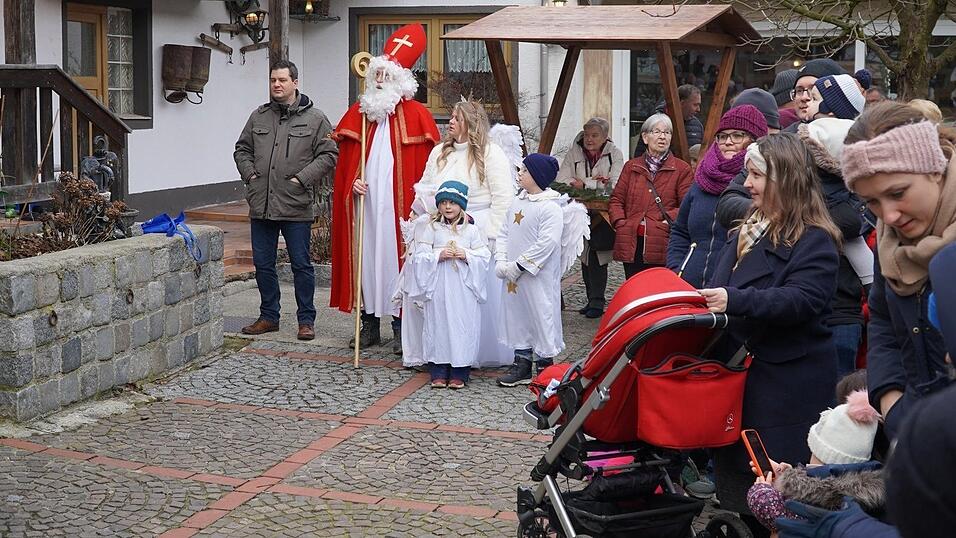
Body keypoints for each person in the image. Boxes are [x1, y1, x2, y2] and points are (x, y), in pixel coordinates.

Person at [698, 133, 841, 538]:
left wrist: (734, 300)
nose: (746, 184)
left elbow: (802, 299)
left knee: (776, 501)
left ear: (786, 179)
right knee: (743, 496)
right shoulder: (747, 230)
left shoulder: (815, 239)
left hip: (784, 391)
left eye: (756, 175)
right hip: (741, 381)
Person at [841, 102, 956, 439]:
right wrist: (892, 402)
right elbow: (883, 320)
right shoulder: (890, 239)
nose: (888, 216)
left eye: (897, 193)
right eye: (872, 202)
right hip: (920, 433)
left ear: (933, 169)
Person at [329, 24, 440, 352]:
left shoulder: (417, 115)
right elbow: (344, 167)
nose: (379, 80)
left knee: (397, 261)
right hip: (364, 207)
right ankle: (369, 324)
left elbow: (428, 167)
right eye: (376, 74)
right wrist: (352, 184)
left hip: (398, 207)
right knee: (366, 260)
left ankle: (401, 325)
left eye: (385, 75)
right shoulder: (359, 114)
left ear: (400, 81)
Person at [234, 60, 339, 341]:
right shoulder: (258, 117)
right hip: (262, 204)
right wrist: (250, 175)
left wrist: (301, 179)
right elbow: (242, 149)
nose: (276, 85)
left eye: (282, 80)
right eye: (273, 80)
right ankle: (269, 316)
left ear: (295, 82)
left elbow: (329, 154)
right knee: (263, 265)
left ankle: (306, 320)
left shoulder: (315, 118)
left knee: (301, 265)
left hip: (295, 204)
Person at [412, 99, 516, 366]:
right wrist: (419, 215)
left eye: (457, 118)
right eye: (451, 117)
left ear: (471, 123)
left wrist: (492, 236)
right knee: (440, 295)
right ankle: (439, 352)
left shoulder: (491, 153)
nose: (450, 122)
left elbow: (503, 197)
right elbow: (425, 187)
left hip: (477, 229)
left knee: (471, 298)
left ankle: (473, 352)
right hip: (440, 227)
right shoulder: (439, 152)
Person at [495, 154, 587, 386]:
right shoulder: (517, 202)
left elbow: (547, 243)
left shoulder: (550, 207)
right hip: (513, 278)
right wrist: (501, 260)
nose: (519, 174)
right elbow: (504, 232)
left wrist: (519, 265)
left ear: (537, 175)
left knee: (541, 315)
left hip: (536, 277)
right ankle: (522, 363)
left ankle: (545, 365)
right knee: (518, 315)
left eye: (525, 171)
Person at [746, 390, 884, 536]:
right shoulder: (864, 489)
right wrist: (786, 476)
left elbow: (782, 516)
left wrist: (760, 494)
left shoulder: (819, 491)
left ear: (816, 448)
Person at [797, 118, 872, 380]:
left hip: (839, 312)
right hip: (833, 310)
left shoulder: (815, 195)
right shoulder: (844, 195)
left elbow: (850, 225)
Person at [667, 105, 768, 288]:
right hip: (688, 287)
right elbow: (680, 230)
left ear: (755, 140)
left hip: (734, 291)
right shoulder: (701, 181)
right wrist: (677, 269)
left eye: (737, 135)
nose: (728, 142)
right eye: (722, 136)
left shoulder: (761, 185)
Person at [406, 180, 490, 389]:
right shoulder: (432, 228)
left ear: (461, 205)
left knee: (462, 325)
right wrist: (437, 255)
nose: (448, 207)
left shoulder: (471, 231)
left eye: (452, 203)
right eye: (443, 203)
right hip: (439, 287)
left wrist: (466, 255)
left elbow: (484, 256)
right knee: (438, 324)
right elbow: (420, 256)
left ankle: (460, 371)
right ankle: (438, 369)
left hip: (462, 289)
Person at [556, 117, 625, 318]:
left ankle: (597, 301)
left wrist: (585, 183)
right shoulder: (574, 152)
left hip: (603, 214)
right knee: (585, 255)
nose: (589, 139)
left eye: (594, 135)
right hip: (580, 212)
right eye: (587, 135)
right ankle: (591, 300)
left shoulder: (615, 154)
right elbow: (561, 181)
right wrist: (596, 183)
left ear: (605, 137)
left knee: (598, 255)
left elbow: (615, 184)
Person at [610, 113, 693, 280]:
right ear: (645, 137)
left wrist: (666, 222)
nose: (663, 137)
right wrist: (621, 223)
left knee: (657, 288)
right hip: (632, 240)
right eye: (657, 132)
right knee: (634, 286)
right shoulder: (631, 167)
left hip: (662, 240)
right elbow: (616, 200)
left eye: (667, 132)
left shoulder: (682, 169)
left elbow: (688, 206)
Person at [633, 84, 704, 156]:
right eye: (695, 105)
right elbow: (640, 154)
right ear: (682, 103)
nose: (698, 109)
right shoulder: (654, 123)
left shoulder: (697, 126)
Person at [791, 58, 847, 124]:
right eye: (799, 91)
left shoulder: (853, 129)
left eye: (813, 90)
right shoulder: (787, 130)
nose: (804, 97)